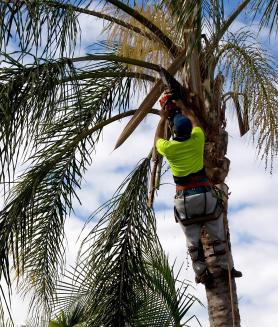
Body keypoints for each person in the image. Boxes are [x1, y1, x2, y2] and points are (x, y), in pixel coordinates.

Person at [155, 95, 241, 286]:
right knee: (219, 236)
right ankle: (227, 268)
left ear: (174, 132)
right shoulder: (198, 138)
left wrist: (162, 118)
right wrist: (184, 106)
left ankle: (202, 274)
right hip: (204, 197)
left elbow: (158, 140)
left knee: (193, 245)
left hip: (184, 200)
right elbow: (195, 122)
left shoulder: (168, 148)